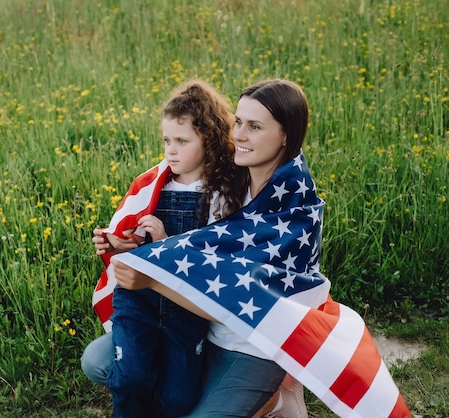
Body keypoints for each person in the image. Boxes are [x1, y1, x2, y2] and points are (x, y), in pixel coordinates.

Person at [109, 79, 411, 418]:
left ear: (286, 135)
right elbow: (192, 250)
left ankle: (278, 393)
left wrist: (152, 278)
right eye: (238, 122)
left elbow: (239, 301)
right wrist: (134, 241)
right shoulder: (225, 178)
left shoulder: (294, 212)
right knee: (103, 363)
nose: (238, 135)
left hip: (253, 344)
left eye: (254, 126)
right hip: (202, 330)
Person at [86, 79, 245, 418]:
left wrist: (163, 244)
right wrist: (117, 242)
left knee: (176, 400)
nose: (170, 150)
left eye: (182, 141)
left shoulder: (222, 194)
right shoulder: (152, 184)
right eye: (166, 141)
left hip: (186, 309)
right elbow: (131, 237)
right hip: (140, 302)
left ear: (209, 140)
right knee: (131, 378)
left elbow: (214, 259)